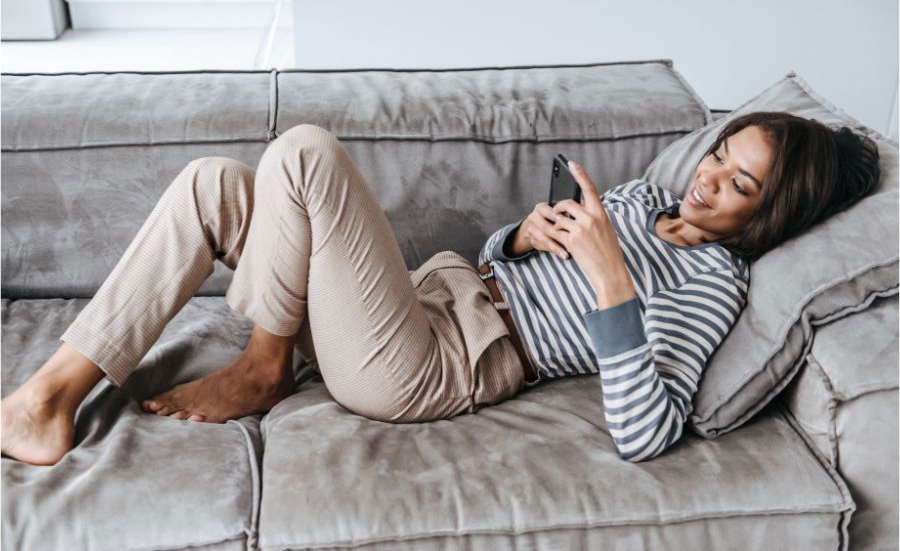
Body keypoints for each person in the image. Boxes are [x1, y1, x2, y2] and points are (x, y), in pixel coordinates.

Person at [0, 113, 880, 466]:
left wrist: (612, 281)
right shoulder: (647, 198)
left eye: (741, 185)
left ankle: (265, 368)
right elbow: (508, 264)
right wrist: (523, 237)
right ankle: (50, 397)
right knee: (211, 184)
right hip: (418, 301)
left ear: (772, 216)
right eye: (722, 155)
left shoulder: (710, 284)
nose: (709, 181)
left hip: (430, 365)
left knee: (305, 152)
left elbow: (648, 432)